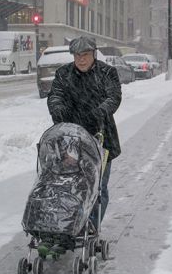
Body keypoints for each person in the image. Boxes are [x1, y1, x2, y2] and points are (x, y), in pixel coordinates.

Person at [47, 36, 122, 228]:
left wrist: (98, 113)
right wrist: (58, 110)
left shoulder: (107, 73)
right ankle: (68, 224)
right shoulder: (64, 74)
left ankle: (91, 227)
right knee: (68, 184)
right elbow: (55, 95)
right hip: (70, 138)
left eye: (86, 55)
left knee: (98, 187)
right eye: (77, 55)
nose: (81, 59)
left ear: (94, 54)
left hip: (101, 137)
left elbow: (114, 97)